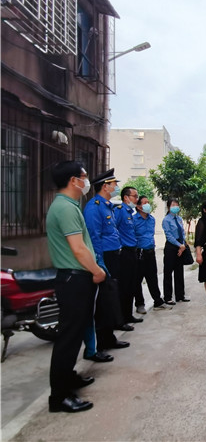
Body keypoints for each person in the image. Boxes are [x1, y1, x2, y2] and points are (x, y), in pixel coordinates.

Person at [46, 160, 106, 413]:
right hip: (74, 279)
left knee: (75, 334)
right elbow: (78, 249)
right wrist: (97, 271)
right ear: (73, 180)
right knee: (68, 338)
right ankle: (59, 397)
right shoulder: (65, 208)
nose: (86, 181)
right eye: (84, 176)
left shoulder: (68, 205)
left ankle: (68, 378)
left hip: (75, 278)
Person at [83, 169, 131, 351]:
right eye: (114, 184)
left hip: (114, 255)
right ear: (105, 187)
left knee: (111, 298)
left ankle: (110, 337)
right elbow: (93, 237)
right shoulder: (94, 207)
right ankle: (103, 342)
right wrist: (99, 263)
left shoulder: (107, 206)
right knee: (103, 301)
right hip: (105, 257)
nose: (116, 187)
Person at [134, 196, 172, 311]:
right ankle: (140, 304)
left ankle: (158, 302)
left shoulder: (152, 219)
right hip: (139, 252)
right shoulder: (134, 220)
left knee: (152, 277)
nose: (148, 204)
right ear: (138, 206)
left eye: (148, 202)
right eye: (145, 203)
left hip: (150, 251)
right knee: (137, 279)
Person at [114, 186, 144, 323]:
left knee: (132, 285)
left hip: (133, 251)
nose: (137, 199)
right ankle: (121, 318)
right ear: (126, 198)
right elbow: (114, 230)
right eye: (135, 196)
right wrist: (120, 247)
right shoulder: (119, 211)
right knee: (124, 286)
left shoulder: (129, 213)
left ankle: (128, 315)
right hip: (124, 252)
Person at [162, 198, 188, 304]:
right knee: (168, 273)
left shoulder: (179, 218)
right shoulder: (166, 220)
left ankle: (180, 295)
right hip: (171, 247)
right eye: (173, 205)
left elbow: (183, 232)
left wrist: (183, 245)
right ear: (168, 207)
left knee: (179, 272)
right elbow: (169, 235)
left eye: (177, 204)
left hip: (180, 246)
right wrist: (179, 245)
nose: (175, 207)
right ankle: (168, 297)